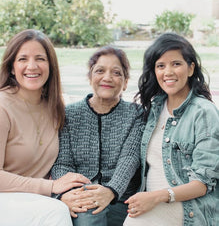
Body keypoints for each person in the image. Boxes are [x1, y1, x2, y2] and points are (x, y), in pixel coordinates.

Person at [123, 32, 219, 226]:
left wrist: (156, 197)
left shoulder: (204, 112)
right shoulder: (155, 108)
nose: (168, 72)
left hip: (188, 208)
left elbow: (202, 184)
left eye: (176, 64)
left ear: (191, 68)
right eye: (161, 65)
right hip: (150, 201)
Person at [0, 29, 91, 226]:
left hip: (33, 199)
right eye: (23, 59)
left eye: (40, 58)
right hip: (5, 198)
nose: (32, 66)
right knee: (56, 212)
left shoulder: (55, 107)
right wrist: (51, 187)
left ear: (50, 65)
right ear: (12, 67)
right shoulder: (2, 107)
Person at [51, 46, 145, 226]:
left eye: (116, 73)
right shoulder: (69, 114)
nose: (107, 78)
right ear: (90, 77)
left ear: (125, 82)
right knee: (89, 212)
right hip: (82, 196)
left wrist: (111, 190)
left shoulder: (136, 114)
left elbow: (129, 158)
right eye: (100, 71)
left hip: (123, 198)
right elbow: (62, 162)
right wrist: (68, 194)